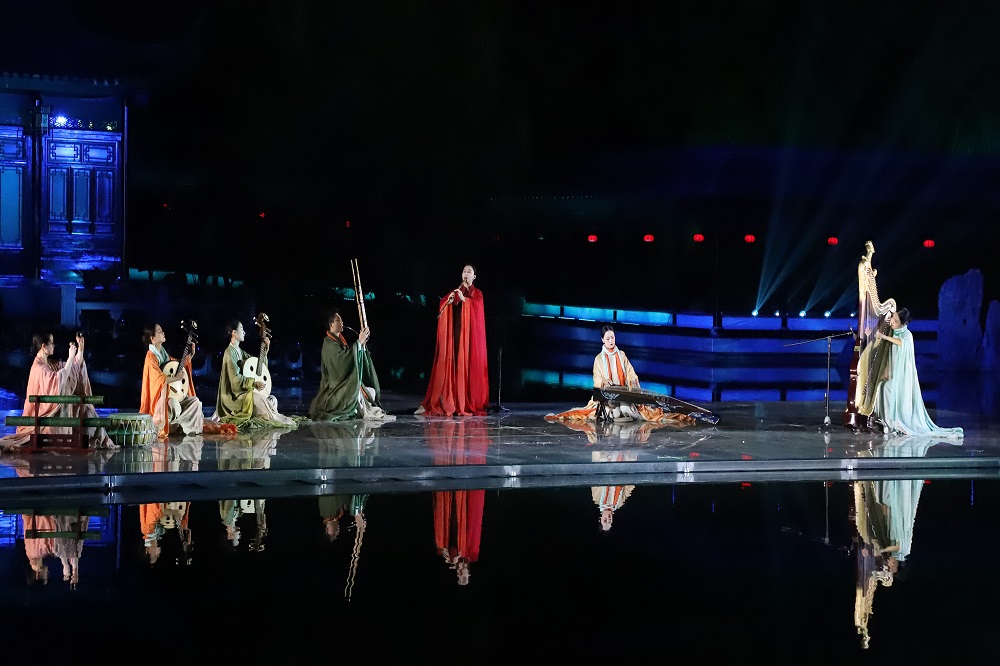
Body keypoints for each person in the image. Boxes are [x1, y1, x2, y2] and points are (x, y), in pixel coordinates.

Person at [545, 324, 695, 425]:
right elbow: (596, 379)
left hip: (623, 394)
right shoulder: (599, 359)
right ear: (602, 340)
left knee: (626, 409)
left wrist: (632, 380)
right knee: (614, 413)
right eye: (608, 338)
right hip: (608, 397)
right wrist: (604, 382)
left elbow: (630, 372)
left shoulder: (621, 355)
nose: (611, 341)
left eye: (613, 337)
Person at [0, 329, 115, 451]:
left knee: (86, 410)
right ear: (44, 346)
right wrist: (71, 357)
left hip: (55, 410)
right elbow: (58, 381)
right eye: (51, 342)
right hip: (45, 414)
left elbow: (71, 370)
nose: (54, 345)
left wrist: (80, 349)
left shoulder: (48, 363)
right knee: (82, 411)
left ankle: (94, 437)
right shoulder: (39, 367)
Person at [873, 308, 963, 438]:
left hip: (904, 378)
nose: (892, 322)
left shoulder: (907, 335)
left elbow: (902, 343)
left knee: (886, 387)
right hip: (894, 375)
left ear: (903, 324)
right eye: (892, 318)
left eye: (896, 321)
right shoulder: (893, 333)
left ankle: (897, 423)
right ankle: (885, 421)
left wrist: (884, 337)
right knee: (881, 386)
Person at [416, 264, 489, 416]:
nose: (466, 274)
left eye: (469, 272)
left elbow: (477, 309)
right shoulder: (456, 291)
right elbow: (444, 303)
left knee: (466, 366)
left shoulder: (478, 294)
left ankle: (465, 401)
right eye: (464, 271)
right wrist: (449, 301)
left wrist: (465, 300)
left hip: (469, 339)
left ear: (474, 276)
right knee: (453, 366)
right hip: (456, 335)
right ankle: (452, 401)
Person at [140, 322, 232, 438]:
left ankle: (183, 427)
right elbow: (157, 378)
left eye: (162, 330)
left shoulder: (163, 353)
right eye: (159, 331)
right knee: (174, 404)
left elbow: (175, 366)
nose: (163, 333)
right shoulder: (151, 357)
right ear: (152, 338)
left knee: (195, 402)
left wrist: (189, 356)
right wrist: (176, 378)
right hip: (160, 402)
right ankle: (168, 426)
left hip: (171, 396)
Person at [307, 310, 394, 422]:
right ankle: (357, 410)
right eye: (338, 320)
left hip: (344, 384)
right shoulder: (329, 343)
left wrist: (361, 344)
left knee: (371, 392)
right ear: (331, 324)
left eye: (341, 320)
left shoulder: (340, 341)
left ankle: (358, 409)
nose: (342, 323)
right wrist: (358, 343)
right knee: (356, 395)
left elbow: (350, 355)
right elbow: (342, 363)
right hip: (335, 388)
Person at [213, 319, 296, 429]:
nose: (244, 332)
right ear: (234, 332)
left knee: (272, 399)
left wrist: (265, 351)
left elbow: (258, 366)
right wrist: (253, 383)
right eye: (241, 329)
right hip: (233, 398)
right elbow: (234, 380)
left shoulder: (241, 352)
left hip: (243, 393)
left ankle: (272, 417)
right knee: (258, 398)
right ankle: (273, 419)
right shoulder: (229, 353)